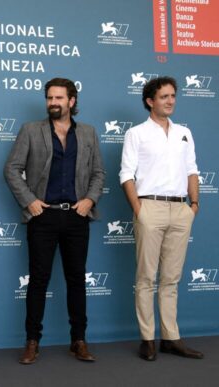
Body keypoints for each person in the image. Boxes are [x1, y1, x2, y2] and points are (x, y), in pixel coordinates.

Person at [4, 78, 105, 364]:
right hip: (43, 216)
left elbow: (99, 173)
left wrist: (89, 200)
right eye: (49, 98)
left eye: (59, 98)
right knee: (38, 280)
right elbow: (11, 169)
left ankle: (79, 340)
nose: (53, 103)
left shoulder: (88, 133)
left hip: (76, 216)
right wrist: (30, 201)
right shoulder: (31, 130)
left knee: (77, 281)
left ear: (72, 101)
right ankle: (32, 341)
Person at [119, 76, 203, 361]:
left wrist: (193, 205)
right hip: (149, 209)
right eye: (164, 96)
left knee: (171, 279)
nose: (170, 101)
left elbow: (192, 169)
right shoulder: (136, 134)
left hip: (181, 210)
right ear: (150, 101)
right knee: (145, 278)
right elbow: (126, 174)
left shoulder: (184, 132)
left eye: (173, 96)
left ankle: (170, 338)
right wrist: (139, 210)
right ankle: (147, 339)